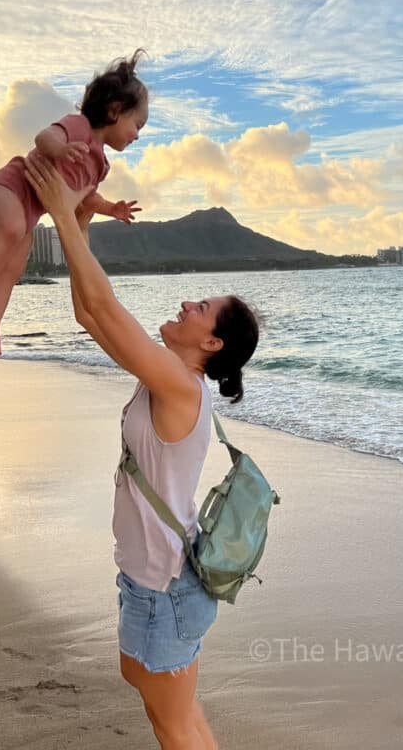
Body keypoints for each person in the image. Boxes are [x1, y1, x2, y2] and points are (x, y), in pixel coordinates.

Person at [23, 153, 259, 749]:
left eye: (200, 308)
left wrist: (66, 216)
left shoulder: (181, 387)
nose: (185, 304)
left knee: (174, 724)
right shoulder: (161, 378)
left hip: (165, 587)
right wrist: (73, 221)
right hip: (153, 582)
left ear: (210, 341)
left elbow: (104, 308)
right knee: (166, 712)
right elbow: (87, 310)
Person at [0, 50, 147, 356]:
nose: (137, 136)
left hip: (27, 213)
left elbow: (86, 197)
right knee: (12, 227)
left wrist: (110, 209)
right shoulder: (79, 127)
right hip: (7, 188)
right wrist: (60, 151)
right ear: (115, 111)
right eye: (138, 125)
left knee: (15, 266)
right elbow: (43, 137)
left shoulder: (101, 165)